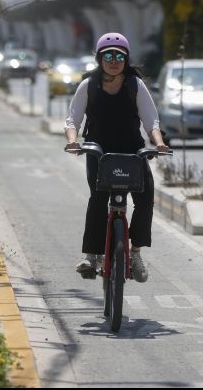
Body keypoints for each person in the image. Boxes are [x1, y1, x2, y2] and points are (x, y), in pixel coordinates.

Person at [64, 32, 169, 282]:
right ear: (100, 58)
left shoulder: (135, 84)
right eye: (108, 55)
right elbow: (73, 119)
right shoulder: (88, 84)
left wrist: (159, 143)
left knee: (145, 200)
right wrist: (72, 141)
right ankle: (91, 256)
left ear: (126, 59)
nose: (114, 60)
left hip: (132, 151)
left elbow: (151, 120)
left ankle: (136, 253)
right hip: (98, 152)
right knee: (97, 201)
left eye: (119, 56)